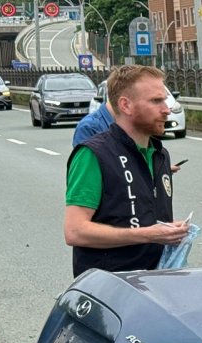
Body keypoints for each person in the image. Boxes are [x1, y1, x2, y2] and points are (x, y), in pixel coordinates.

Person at [63, 65, 188, 277]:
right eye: (156, 101)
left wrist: (168, 232)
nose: (166, 109)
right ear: (126, 105)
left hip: (157, 284)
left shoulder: (159, 154)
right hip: (110, 289)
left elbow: (144, 219)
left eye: (165, 100)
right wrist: (147, 235)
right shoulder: (93, 154)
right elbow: (75, 231)